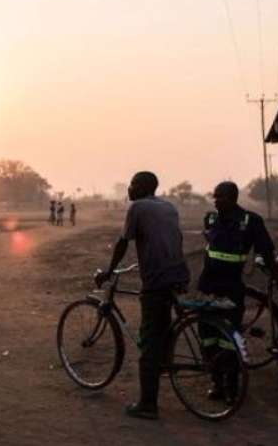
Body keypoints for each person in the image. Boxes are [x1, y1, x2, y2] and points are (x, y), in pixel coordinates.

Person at [95, 171, 190, 420]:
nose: (129, 188)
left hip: (156, 279)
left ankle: (148, 405)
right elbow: (176, 238)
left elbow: (123, 242)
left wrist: (109, 271)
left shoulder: (137, 207)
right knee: (164, 328)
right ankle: (165, 363)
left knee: (148, 341)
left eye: (133, 184)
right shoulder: (169, 206)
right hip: (178, 274)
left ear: (142, 187)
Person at [199, 181, 275, 401]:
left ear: (233, 198)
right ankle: (216, 383)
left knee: (229, 340)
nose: (215, 201)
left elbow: (265, 249)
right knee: (207, 337)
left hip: (232, 288)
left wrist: (265, 264)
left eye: (220, 197)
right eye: (214, 196)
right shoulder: (211, 219)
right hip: (208, 287)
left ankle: (232, 387)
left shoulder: (251, 221)